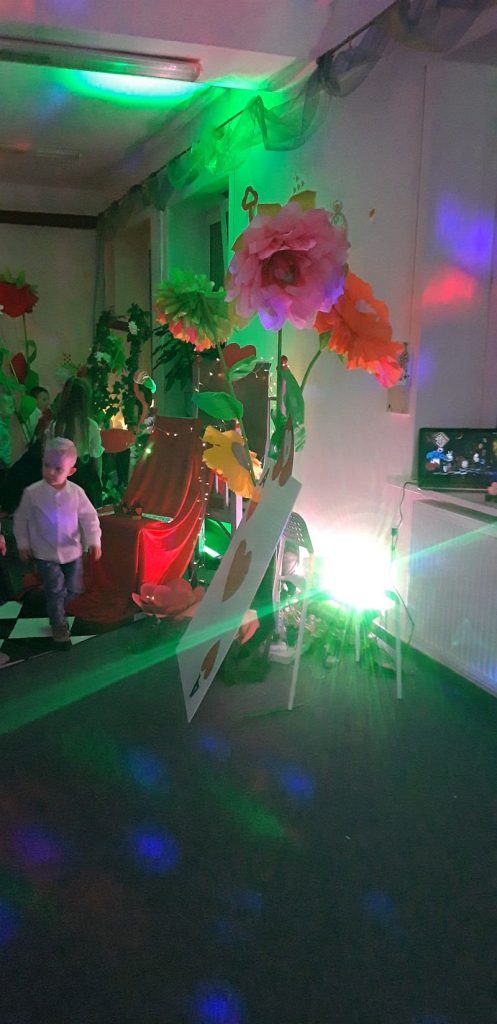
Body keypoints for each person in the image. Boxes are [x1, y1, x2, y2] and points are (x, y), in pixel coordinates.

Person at [13, 437, 102, 646]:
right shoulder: (33, 493)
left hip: (72, 552)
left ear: (71, 471)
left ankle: (54, 601)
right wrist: (23, 543)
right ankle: (58, 624)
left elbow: (90, 517)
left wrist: (94, 541)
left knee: (73, 589)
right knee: (55, 589)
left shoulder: (76, 493)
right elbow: (21, 519)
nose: (51, 472)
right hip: (45, 553)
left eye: (58, 469)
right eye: (47, 466)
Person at [51, 377, 103, 507]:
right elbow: (96, 457)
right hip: (86, 476)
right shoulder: (90, 426)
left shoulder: (56, 425)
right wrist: (99, 481)